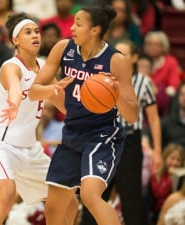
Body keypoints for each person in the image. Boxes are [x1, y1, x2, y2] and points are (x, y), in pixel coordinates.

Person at [28, 3, 139, 225]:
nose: (71, 28)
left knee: (89, 196)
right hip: (72, 131)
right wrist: (55, 88)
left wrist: (113, 93)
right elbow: (34, 91)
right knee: (53, 207)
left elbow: (133, 115)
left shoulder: (116, 60)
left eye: (78, 24)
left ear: (95, 30)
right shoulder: (63, 49)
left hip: (103, 134)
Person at [0, 12, 78, 225]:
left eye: (36, 31)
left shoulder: (44, 67)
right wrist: (14, 101)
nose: (35, 35)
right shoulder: (10, 66)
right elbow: (14, 85)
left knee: (68, 201)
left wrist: (91, 112)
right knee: (6, 196)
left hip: (29, 149)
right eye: (28, 32)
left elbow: (65, 106)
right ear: (15, 40)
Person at [82, 39, 162, 225]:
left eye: (123, 54)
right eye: (115, 53)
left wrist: (157, 150)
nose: (117, 57)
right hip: (103, 139)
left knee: (131, 197)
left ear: (134, 58)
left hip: (130, 142)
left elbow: (154, 118)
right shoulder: (100, 78)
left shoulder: (143, 82)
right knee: (94, 194)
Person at [148, 143, 185, 224]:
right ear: (165, 158)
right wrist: (170, 178)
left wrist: (175, 177)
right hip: (157, 211)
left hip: (175, 211)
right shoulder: (156, 175)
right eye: (172, 158)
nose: (175, 163)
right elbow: (159, 193)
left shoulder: (182, 177)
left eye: (178, 160)